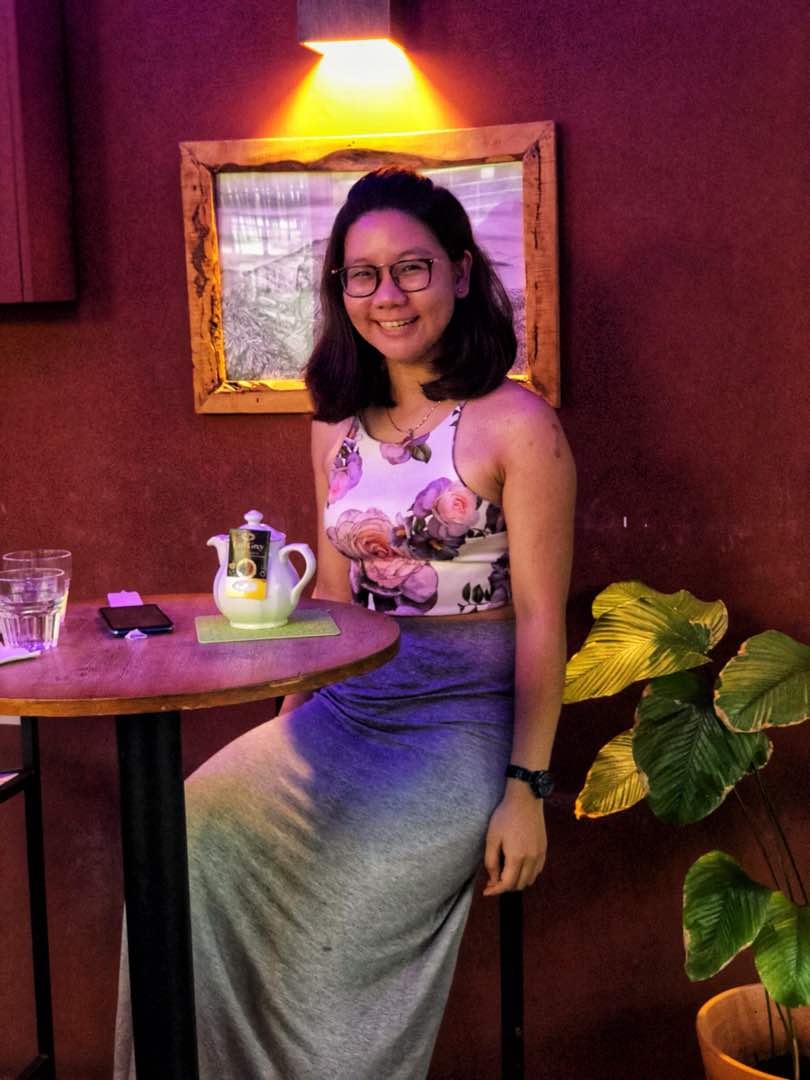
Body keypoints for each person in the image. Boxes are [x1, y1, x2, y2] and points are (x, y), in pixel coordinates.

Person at [114, 167, 575, 1079]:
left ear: (460, 272)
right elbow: (331, 599)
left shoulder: (519, 425)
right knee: (184, 835)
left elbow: (539, 621)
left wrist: (527, 789)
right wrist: (289, 719)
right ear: (339, 290)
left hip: (464, 720)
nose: (387, 295)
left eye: (411, 268)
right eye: (362, 275)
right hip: (347, 703)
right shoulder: (335, 425)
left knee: (349, 912)